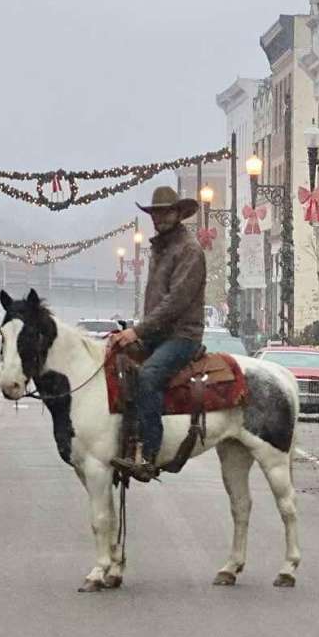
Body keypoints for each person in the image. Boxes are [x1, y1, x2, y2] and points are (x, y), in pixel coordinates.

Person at [109, 186, 206, 482]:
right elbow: (156, 302)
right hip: (158, 333)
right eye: (156, 212)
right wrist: (130, 334)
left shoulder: (189, 250)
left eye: (166, 211)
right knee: (116, 364)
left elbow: (175, 302)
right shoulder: (160, 248)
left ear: (178, 214)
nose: (160, 217)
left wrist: (138, 331)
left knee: (149, 376)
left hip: (182, 336)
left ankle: (149, 453)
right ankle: (123, 441)